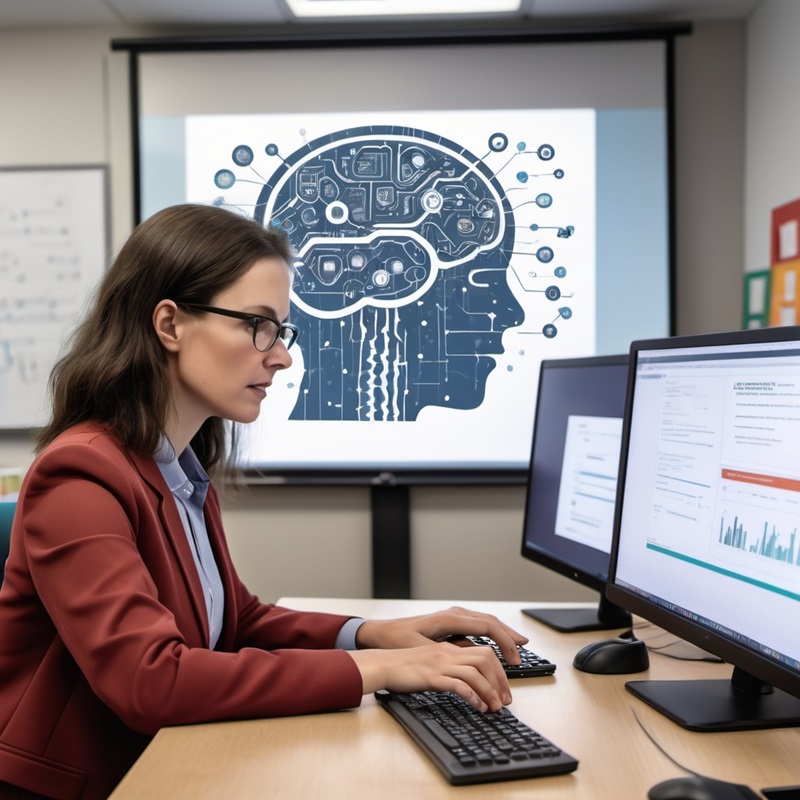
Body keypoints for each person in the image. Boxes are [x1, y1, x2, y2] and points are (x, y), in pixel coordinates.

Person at [0, 204, 529, 800]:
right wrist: (377, 671)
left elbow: (236, 622)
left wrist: (379, 635)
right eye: (258, 325)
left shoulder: (176, 466)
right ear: (169, 325)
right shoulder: (80, 476)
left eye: (281, 330)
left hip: (168, 762)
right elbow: (150, 680)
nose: (280, 355)